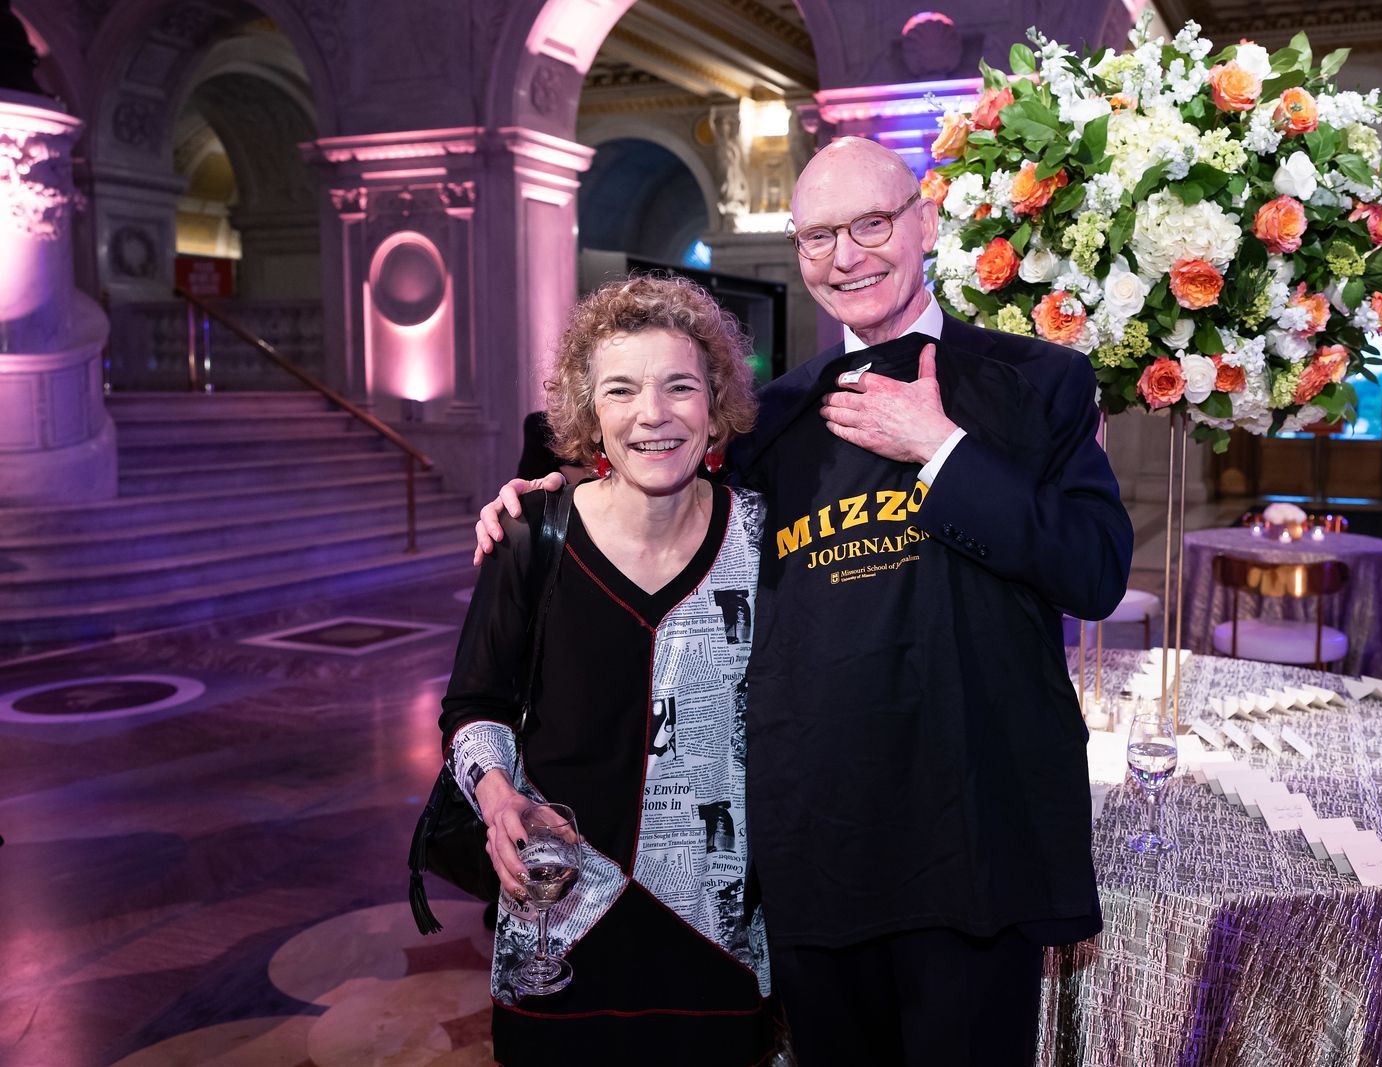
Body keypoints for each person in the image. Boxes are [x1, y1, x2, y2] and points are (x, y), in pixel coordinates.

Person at [478, 138, 1133, 1066]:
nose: (848, 254)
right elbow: (651, 458)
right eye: (819, 234)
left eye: (872, 223)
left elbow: (1095, 570)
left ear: (927, 222)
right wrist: (543, 494)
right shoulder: (771, 420)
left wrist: (941, 447)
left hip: (976, 835)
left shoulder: (1040, 383)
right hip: (817, 842)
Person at [440, 275, 771, 1065]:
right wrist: (496, 795)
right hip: (559, 923)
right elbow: (473, 705)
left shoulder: (763, 537)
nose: (651, 414)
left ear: (716, 401)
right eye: (620, 389)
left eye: (679, 386)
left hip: (714, 930)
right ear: (590, 412)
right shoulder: (532, 534)